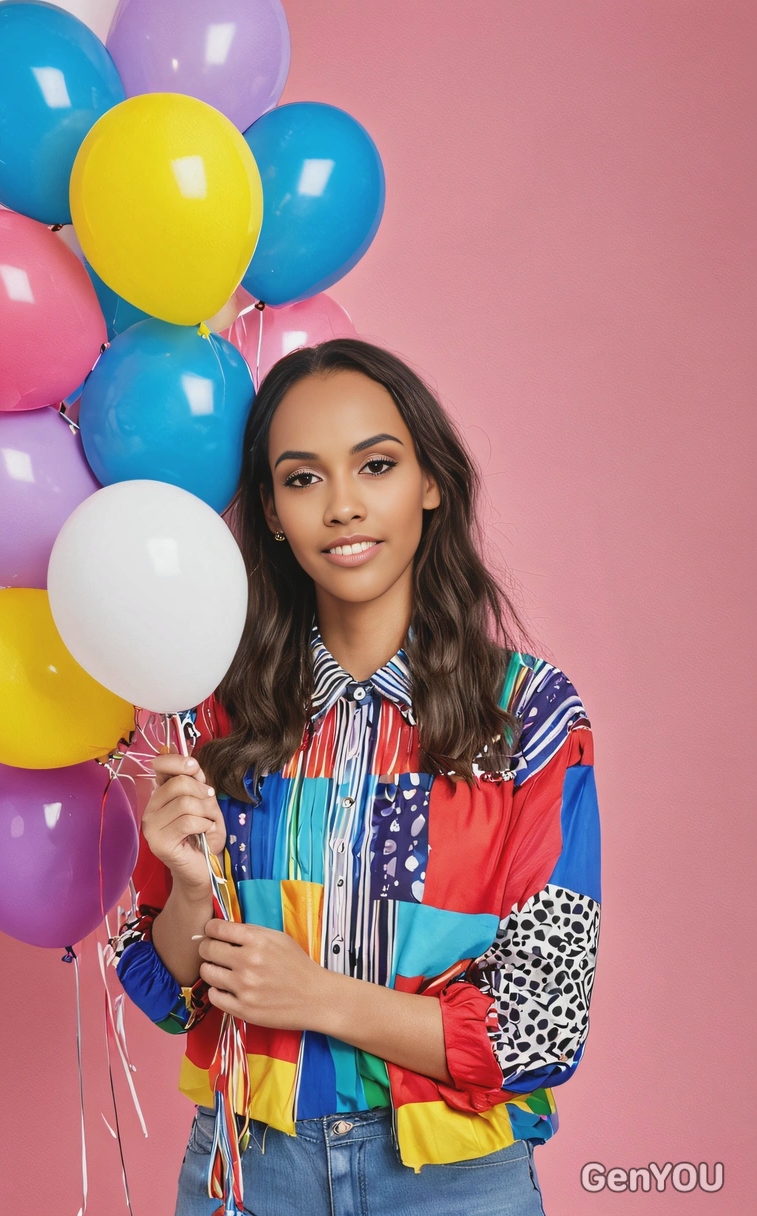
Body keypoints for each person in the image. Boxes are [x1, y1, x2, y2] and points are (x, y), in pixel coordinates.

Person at [109, 338, 602, 1216]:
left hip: (455, 1179)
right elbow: (171, 994)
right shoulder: (210, 707)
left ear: (431, 482)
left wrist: (318, 998)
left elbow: (540, 1028)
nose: (342, 507)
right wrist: (188, 891)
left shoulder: (530, 715)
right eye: (302, 479)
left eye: (375, 465)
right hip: (247, 1164)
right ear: (267, 510)